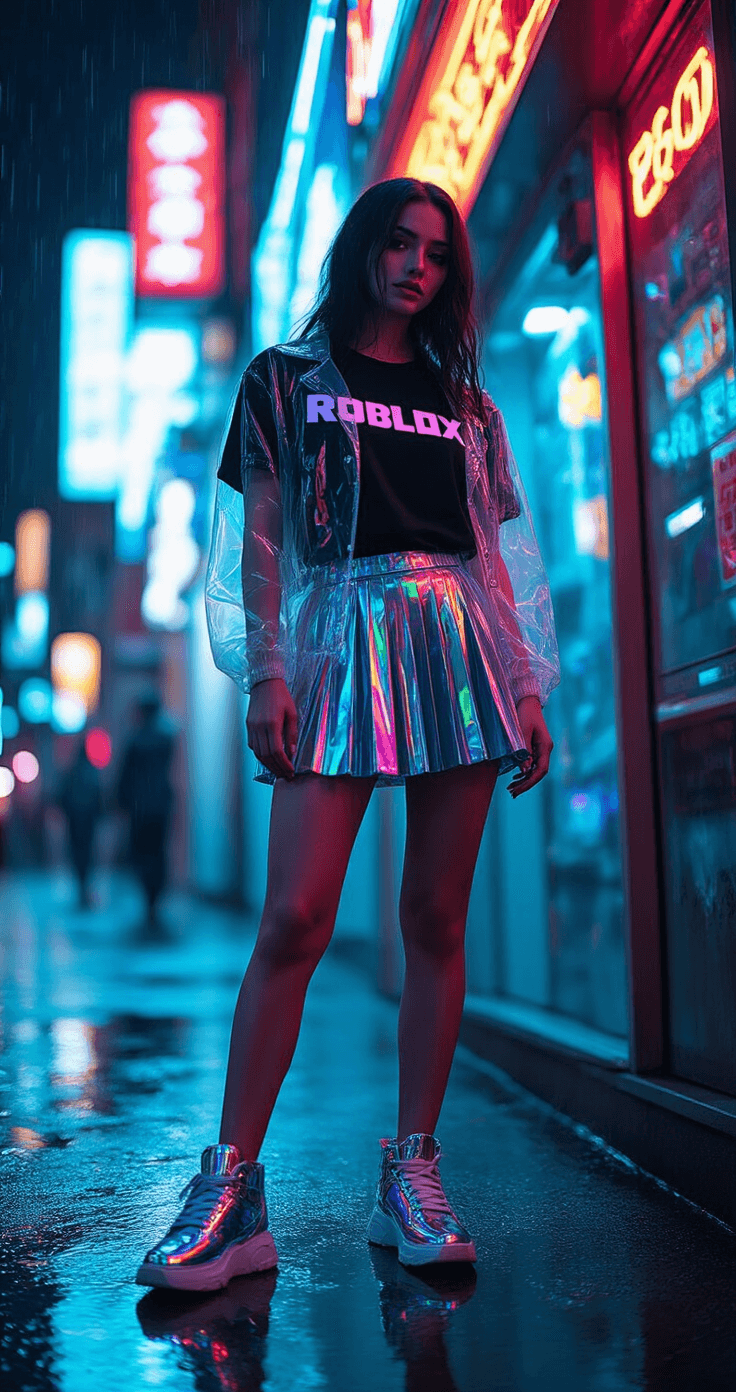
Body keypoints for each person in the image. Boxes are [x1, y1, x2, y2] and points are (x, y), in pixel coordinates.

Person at [136, 178, 560, 1291]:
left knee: (435, 915)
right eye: (398, 241)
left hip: (454, 643)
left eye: (435, 252)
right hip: (331, 642)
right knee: (295, 917)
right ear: (363, 247)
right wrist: (263, 668)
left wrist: (524, 683)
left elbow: (495, 558)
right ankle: (231, 1186)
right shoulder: (283, 379)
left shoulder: (465, 405)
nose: (416, 263)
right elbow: (256, 535)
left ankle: (410, 1173)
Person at [117, 694, 176, 924]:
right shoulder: (165, 740)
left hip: (139, 807)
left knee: (141, 854)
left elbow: (124, 777)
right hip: (160, 805)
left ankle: (148, 899)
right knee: (159, 853)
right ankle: (156, 900)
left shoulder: (134, 740)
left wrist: (120, 803)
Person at [58, 741, 102, 909]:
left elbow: (61, 797)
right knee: (88, 855)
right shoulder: (92, 773)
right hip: (88, 822)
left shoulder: (71, 773)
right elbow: (99, 799)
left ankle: (81, 887)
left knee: (77, 855)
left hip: (75, 823)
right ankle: (84, 887)